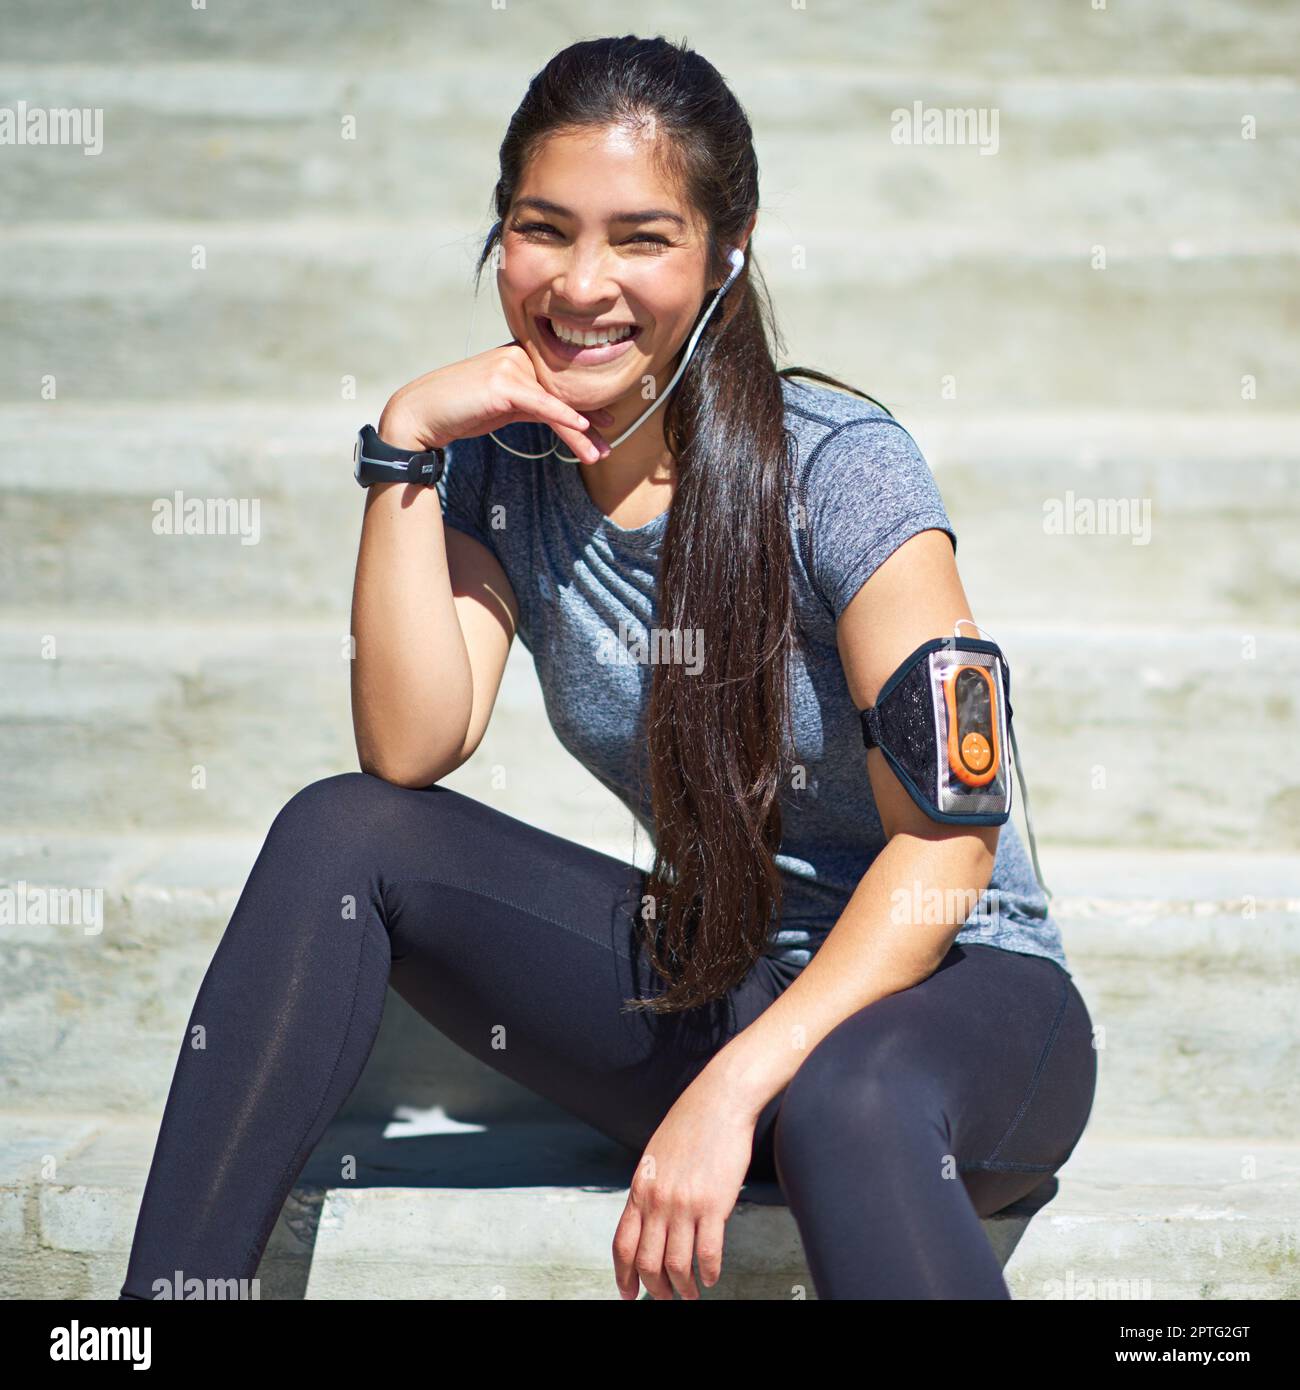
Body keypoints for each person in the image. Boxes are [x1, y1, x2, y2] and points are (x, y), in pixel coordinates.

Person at [118, 33, 1096, 1302]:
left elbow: (951, 841)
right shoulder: (493, 464)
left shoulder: (842, 467)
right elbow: (412, 748)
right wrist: (406, 443)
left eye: (641, 237)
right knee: (339, 831)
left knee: (844, 1101)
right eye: (544, 229)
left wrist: (738, 1087)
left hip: (957, 1005)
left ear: (725, 251)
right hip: (726, 979)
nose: (582, 284)